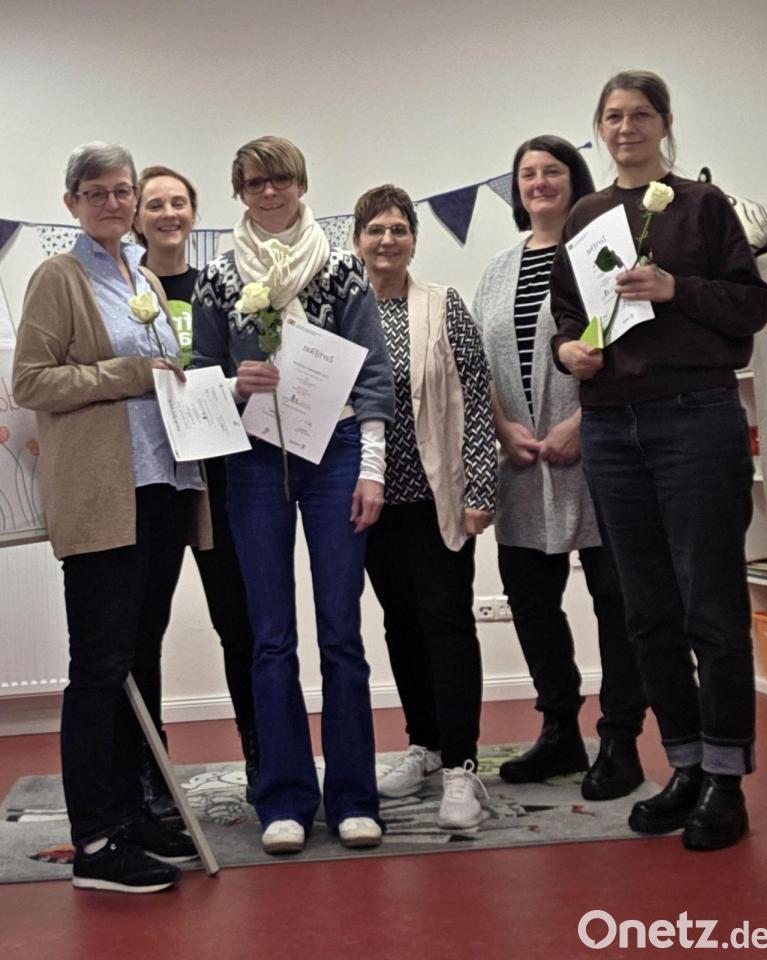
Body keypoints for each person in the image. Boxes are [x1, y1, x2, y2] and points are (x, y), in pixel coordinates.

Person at [550, 71, 767, 850]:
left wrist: (677, 287)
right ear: (599, 128)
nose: (626, 128)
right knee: (646, 611)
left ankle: (726, 779)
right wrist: (569, 351)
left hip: (694, 419)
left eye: (640, 114)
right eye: (612, 116)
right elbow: (568, 317)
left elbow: (752, 306)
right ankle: (683, 765)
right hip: (611, 428)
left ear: (665, 123)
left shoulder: (703, 206)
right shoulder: (584, 216)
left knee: (711, 605)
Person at [13, 142, 210, 893]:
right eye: (95, 192)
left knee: (140, 658)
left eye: (121, 190)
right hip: (104, 498)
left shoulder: (142, 276)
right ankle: (96, 840)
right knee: (99, 669)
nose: (113, 203)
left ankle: (134, 813)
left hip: (162, 487)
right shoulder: (58, 277)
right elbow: (32, 381)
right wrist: (127, 374)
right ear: (72, 203)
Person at [191, 136, 395, 855]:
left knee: (341, 631)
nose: (269, 192)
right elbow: (200, 373)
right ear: (240, 192)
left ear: (301, 184)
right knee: (270, 636)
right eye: (255, 182)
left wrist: (372, 468)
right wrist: (232, 383)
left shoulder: (340, 267)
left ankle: (354, 797)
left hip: (335, 454)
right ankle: (283, 799)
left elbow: (373, 374)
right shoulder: (219, 277)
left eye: (280, 179)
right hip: (253, 461)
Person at [473, 136, 647, 800]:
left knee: (618, 601)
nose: (539, 182)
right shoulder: (497, 270)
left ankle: (622, 739)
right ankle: (559, 730)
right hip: (522, 461)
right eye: (528, 173)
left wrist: (582, 423)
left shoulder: (601, 251)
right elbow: (477, 362)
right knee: (531, 600)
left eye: (552, 171)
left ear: (575, 180)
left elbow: (629, 341)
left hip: (599, 449)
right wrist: (503, 428)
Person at [352, 185, 496, 830]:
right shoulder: (341, 312)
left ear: (413, 239)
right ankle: (426, 746)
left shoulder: (443, 305)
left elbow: (477, 396)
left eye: (399, 229)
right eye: (375, 229)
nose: (387, 240)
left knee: (446, 621)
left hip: (438, 499)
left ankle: (462, 766)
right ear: (357, 240)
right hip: (372, 504)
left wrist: (481, 489)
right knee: (400, 625)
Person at [133, 165, 258, 808]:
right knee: (142, 629)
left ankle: (262, 757)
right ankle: (151, 773)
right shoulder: (124, 288)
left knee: (240, 624)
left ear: (194, 212)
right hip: (154, 478)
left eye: (178, 202)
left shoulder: (217, 287)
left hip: (220, 477)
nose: (168, 213)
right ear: (137, 217)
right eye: (154, 203)